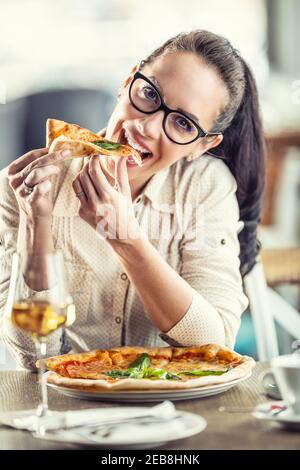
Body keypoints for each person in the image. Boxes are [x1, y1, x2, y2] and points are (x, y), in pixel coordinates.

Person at [0, 30, 265, 370]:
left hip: (174, 407)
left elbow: (215, 345)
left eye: (183, 124)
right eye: (149, 94)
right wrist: (36, 225)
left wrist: (125, 238)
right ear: (128, 82)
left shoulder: (204, 188)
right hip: (67, 408)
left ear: (203, 146)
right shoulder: (22, 188)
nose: (148, 127)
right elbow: (32, 357)